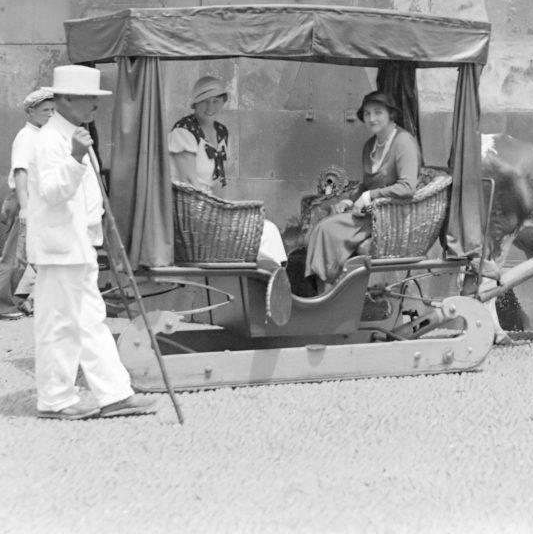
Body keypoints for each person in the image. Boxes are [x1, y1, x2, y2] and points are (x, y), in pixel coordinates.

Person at [28, 65, 157, 419]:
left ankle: (114, 394)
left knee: (88, 320)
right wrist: (74, 158)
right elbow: (53, 192)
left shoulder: (75, 134)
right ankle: (55, 399)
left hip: (77, 245)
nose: (95, 106)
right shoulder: (52, 139)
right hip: (61, 249)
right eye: (90, 99)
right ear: (66, 99)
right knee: (60, 323)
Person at [168, 76, 287, 270]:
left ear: (223, 101)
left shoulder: (221, 132)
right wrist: (218, 214)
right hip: (189, 214)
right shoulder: (184, 131)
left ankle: (273, 281)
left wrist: (226, 209)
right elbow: (189, 185)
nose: (210, 106)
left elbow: (220, 182)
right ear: (195, 102)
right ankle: (269, 279)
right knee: (266, 232)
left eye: (216, 100)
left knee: (268, 229)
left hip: (211, 207)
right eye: (205, 101)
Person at [305, 91, 420, 291]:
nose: (372, 118)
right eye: (367, 114)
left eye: (378, 112)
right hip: (368, 213)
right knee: (321, 223)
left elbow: (407, 187)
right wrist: (351, 200)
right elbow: (366, 184)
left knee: (327, 230)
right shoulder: (370, 145)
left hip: (390, 217)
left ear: (391, 115)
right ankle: (321, 290)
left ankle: (327, 291)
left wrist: (369, 197)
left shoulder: (404, 142)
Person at [0, 88, 55, 320]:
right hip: (25, 201)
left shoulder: (42, 135)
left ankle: (21, 300)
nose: (51, 115)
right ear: (31, 111)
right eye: (46, 110)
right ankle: (3, 305)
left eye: (54, 110)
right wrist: (24, 206)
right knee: (15, 257)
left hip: (37, 202)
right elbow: (20, 170)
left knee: (31, 255)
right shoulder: (27, 137)